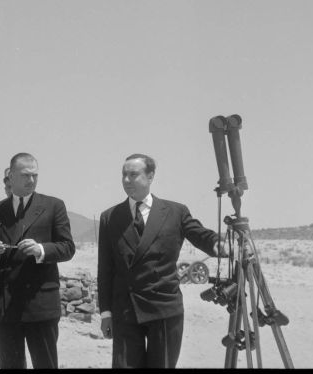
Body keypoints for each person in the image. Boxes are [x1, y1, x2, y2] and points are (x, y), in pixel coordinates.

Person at [97, 153, 226, 369]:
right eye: (124, 175)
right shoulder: (110, 217)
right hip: (125, 310)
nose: (127, 180)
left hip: (164, 308)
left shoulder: (175, 212)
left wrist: (217, 244)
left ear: (150, 176)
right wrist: (105, 313)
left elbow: (201, 235)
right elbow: (105, 269)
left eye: (134, 174)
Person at [0, 152, 75, 369]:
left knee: (45, 364)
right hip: (6, 306)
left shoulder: (53, 206)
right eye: (25, 175)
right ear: (10, 177)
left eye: (35, 175)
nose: (31, 180)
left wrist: (41, 249)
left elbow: (68, 248)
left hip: (40, 304)